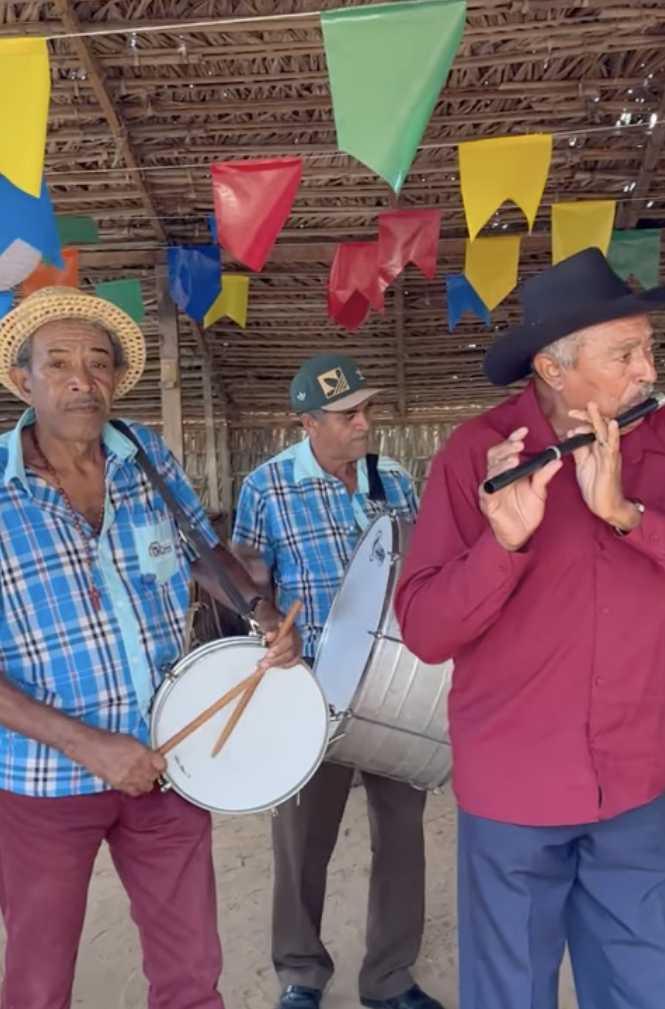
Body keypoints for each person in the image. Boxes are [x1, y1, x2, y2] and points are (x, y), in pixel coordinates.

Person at [393, 248, 665, 1009]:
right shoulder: (478, 456)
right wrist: (502, 542)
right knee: (510, 995)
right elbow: (426, 631)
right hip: (513, 795)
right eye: (626, 353)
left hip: (630, 782)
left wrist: (630, 516)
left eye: (648, 348)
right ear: (553, 368)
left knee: (642, 988)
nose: (648, 370)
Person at [0, 286, 300, 1009]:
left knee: (191, 973)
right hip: (43, 781)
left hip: (168, 757)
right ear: (22, 381)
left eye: (98, 364)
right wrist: (89, 746)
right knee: (38, 982)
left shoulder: (142, 454)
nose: (80, 379)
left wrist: (259, 611)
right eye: (57, 362)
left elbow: (202, 547)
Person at [232, 353, 445, 1009]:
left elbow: (420, 570)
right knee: (302, 840)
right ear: (308, 422)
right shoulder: (267, 488)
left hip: (394, 687)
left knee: (401, 834)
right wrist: (268, 622)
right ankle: (301, 973)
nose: (364, 422)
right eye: (348, 414)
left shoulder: (394, 481)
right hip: (311, 691)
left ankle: (389, 978)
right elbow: (244, 577)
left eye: (366, 409)